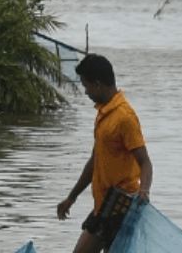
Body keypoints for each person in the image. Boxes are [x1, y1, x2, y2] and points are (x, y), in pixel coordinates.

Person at [56, 53, 154, 253]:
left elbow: (145, 162)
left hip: (120, 206)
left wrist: (144, 192)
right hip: (104, 203)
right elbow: (95, 161)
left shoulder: (124, 117)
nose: (86, 92)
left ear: (99, 84)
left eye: (86, 86)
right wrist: (71, 197)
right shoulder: (104, 113)